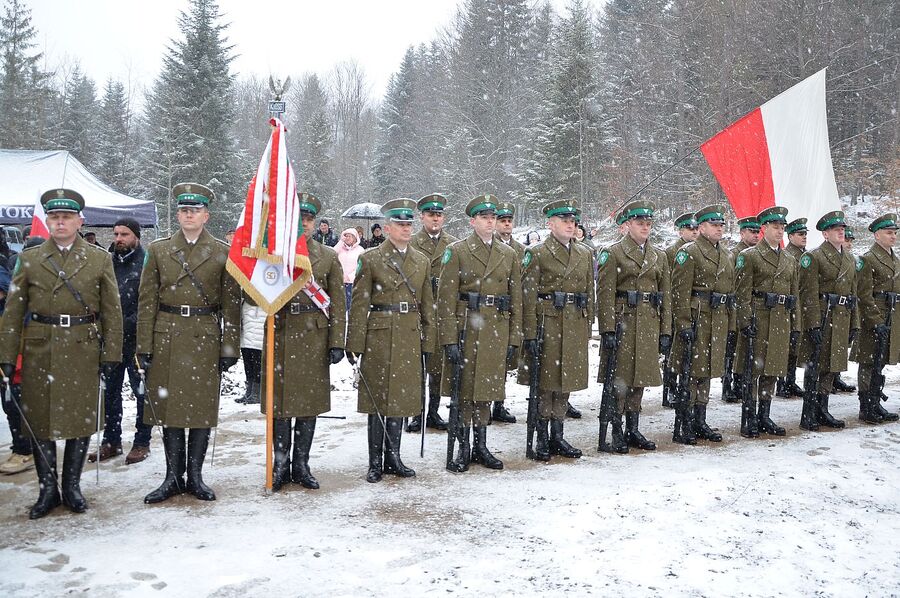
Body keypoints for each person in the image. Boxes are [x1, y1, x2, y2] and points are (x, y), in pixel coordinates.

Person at [0, 188, 123, 519]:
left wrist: (112, 353)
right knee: (41, 422)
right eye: (54, 217)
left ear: (79, 221)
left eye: (66, 217)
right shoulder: (29, 259)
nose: (60, 222)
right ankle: (47, 490)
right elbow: (13, 311)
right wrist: (7, 356)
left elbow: (112, 311)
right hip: (41, 347)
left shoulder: (100, 259)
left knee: (79, 421)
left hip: (83, 346)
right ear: (47, 221)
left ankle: (71, 487)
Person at [137, 183, 240, 503]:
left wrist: (230, 347)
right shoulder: (159, 250)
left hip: (204, 337)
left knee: (199, 410)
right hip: (167, 335)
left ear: (206, 215)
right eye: (184, 210)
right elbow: (146, 301)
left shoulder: (222, 252)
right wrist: (144, 345)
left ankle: (194, 476)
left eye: (195, 210)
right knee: (169, 411)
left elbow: (231, 305)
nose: (188, 215)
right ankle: (171, 476)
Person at [346, 198, 434, 483]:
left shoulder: (421, 261)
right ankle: (375, 461)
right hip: (380, 335)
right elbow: (359, 304)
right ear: (387, 227)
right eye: (400, 225)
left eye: (409, 224)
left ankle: (394, 457)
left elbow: (427, 304)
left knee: (400, 399)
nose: (406, 229)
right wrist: (354, 343)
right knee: (378, 400)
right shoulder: (370, 259)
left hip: (409, 333)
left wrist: (428, 341)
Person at [266, 192, 346, 491]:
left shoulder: (327, 256)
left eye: (309, 219)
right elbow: (253, 294)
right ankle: (279, 463)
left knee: (308, 405)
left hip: (314, 335)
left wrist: (337, 341)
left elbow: (337, 300)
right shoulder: (273, 254)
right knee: (280, 404)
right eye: (300, 218)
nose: (305, 224)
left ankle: (301, 464)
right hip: (282, 333)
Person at [440, 195, 522, 472]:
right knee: (464, 390)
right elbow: (446, 299)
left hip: (495, 329)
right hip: (467, 328)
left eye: (493, 218)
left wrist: (514, 337)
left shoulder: (508, 254)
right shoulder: (458, 251)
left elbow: (516, 300)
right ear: (472, 221)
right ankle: (464, 446)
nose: (490, 222)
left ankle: (481, 444)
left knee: (487, 388)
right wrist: (449, 338)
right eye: (485, 218)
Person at [518, 199, 592, 461]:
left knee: (565, 381)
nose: (570, 226)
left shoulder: (584, 253)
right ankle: (541, 436)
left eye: (573, 221)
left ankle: (558, 435)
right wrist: (528, 333)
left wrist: (587, 323)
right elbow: (527, 296)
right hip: (546, 324)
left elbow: (588, 292)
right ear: (550, 224)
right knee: (546, 383)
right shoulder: (537, 253)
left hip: (574, 322)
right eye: (564, 221)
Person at [596, 201, 671, 453]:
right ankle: (616, 429)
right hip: (623, 323)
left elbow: (666, 296)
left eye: (648, 224)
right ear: (628, 225)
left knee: (640, 378)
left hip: (649, 322)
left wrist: (665, 331)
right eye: (640, 223)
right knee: (621, 379)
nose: (645, 228)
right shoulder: (614, 253)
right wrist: (607, 329)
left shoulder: (658, 255)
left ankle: (633, 427)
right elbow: (604, 295)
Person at [88, 218, 153, 465]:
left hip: (137, 339)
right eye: (116, 234)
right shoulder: (107, 261)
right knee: (110, 392)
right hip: (110, 341)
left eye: (124, 234)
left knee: (141, 392)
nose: (118, 238)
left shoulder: (147, 262)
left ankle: (141, 442)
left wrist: (126, 323)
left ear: (136, 236)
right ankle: (111, 440)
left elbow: (149, 302)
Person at [671, 205, 736, 444]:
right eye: (714, 225)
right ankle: (685, 421)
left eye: (721, 225)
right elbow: (679, 293)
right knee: (691, 374)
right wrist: (684, 324)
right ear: (701, 228)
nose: (719, 229)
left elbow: (731, 293)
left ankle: (700, 419)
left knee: (707, 371)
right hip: (697, 319)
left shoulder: (728, 254)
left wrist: (731, 326)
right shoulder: (689, 253)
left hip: (717, 319)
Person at [733, 207, 799, 438]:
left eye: (782, 227)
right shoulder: (749, 256)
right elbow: (742, 293)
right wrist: (745, 321)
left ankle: (764, 415)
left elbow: (795, 296)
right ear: (764, 229)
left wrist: (796, 326)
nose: (780, 231)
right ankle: (748, 417)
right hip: (759, 317)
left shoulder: (790, 259)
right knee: (753, 371)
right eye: (775, 227)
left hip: (781, 318)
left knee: (772, 369)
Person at [797, 211, 859, 431]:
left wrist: (855, 324)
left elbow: (853, 295)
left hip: (842, 317)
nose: (840, 232)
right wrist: (812, 324)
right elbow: (808, 294)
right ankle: (809, 412)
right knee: (815, 366)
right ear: (825, 234)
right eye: (835, 229)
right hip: (823, 317)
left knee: (832, 367)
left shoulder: (850, 259)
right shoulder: (814, 257)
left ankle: (822, 409)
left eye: (842, 229)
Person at [408, 193, 455, 433]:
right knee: (418, 367)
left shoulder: (453, 244)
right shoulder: (411, 243)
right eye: (430, 215)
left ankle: (433, 412)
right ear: (422, 217)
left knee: (437, 366)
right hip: (418, 311)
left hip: (442, 311)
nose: (435, 219)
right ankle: (416, 413)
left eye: (439, 215)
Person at [854, 214, 900, 423]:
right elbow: (864, 295)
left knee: (880, 361)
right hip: (875, 315)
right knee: (869, 361)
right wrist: (876, 321)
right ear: (877, 235)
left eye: (895, 233)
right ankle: (866, 406)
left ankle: (876, 402)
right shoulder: (867, 259)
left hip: (892, 314)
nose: (893, 236)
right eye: (889, 233)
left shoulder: (895, 259)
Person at [492, 201, 525, 424]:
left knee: (504, 362)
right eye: (502, 221)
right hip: (492, 309)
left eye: (509, 221)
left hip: (511, 307)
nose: (506, 224)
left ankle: (499, 403)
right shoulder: (490, 246)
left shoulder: (521, 251)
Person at [662, 213, 699, 407]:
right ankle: (669, 389)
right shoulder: (672, 252)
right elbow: (669, 284)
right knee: (671, 353)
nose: (694, 232)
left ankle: (681, 389)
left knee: (685, 353)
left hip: (690, 307)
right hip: (674, 306)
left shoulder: (695, 252)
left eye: (695, 229)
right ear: (680, 231)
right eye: (689, 229)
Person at [776, 218, 808, 398]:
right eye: (800, 234)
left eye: (805, 234)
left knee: (795, 347)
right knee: (786, 347)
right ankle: (783, 383)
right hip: (790, 305)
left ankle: (790, 381)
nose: (804, 237)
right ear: (790, 237)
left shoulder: (804, 255)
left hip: (800, 305)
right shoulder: (788, 256)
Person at [832, 228, 858, 394]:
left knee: (840, 346)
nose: (848, 244)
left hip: (846, 308)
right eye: (846, 240)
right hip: (831, 309)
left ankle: (835, 377)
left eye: (850, 241)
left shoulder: (851, 260)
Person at [235, 296, 264, 405]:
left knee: (258, 364)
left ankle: (257, 393)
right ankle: (249, 391)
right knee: (248, 364)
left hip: (258, 336)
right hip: (247, 334)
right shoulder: (245, 298)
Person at [336, 227, 365, 312]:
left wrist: (352, 276)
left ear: (355, 238)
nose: (347, 238)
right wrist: (341, 242)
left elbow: (361, 265)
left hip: (352, 283)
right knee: (339, 306)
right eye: (346, 236)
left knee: (350, 306)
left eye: (349, 236)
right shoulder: (340, 248)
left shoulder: (360, 250)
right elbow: (332, 255)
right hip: (339, 281)